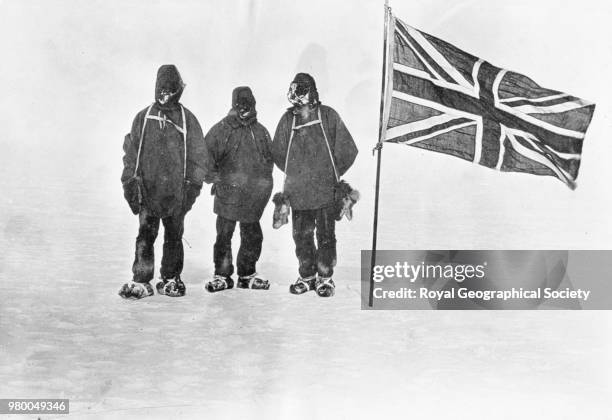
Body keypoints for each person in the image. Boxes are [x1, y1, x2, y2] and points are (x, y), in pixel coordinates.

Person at [119, 65, 207, 299]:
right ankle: (142, 279)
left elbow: (200, 158)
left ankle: (170, 278)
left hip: (177, 193)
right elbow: (131, 153)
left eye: (170, 89)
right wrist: (130, 183)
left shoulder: (188, 120)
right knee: (145, 235)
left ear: (178, 89)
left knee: (174, 236)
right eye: (161, 88)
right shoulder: (143, 117)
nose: (165, 94)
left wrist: (191, 189)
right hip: (148, 190)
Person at [272, 73, 358, 297]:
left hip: (325, 192)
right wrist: (296, 173)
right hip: (298, 192)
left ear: (312, 92)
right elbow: (278, 153)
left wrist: (330, 173)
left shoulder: (328, 115)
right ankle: (307, 276)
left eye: (302, 91)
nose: (297, 96)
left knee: (326, 236)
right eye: (294, 91)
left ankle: (325, 278)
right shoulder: (287, 119)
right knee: (301, 236)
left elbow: (348, 149)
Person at [203, 86, 274, 292]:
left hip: (253, 198)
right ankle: (222, 275)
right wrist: (214, 177)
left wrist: (263, 188)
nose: (245, 109)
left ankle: (247, 274)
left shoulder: (260, 132)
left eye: (249, 104)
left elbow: (269, 161)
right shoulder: (221, 129)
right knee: (224, 235)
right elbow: (206, 157)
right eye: (241, 105)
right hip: (227, 195)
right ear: (234, 105)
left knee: (252, 235)